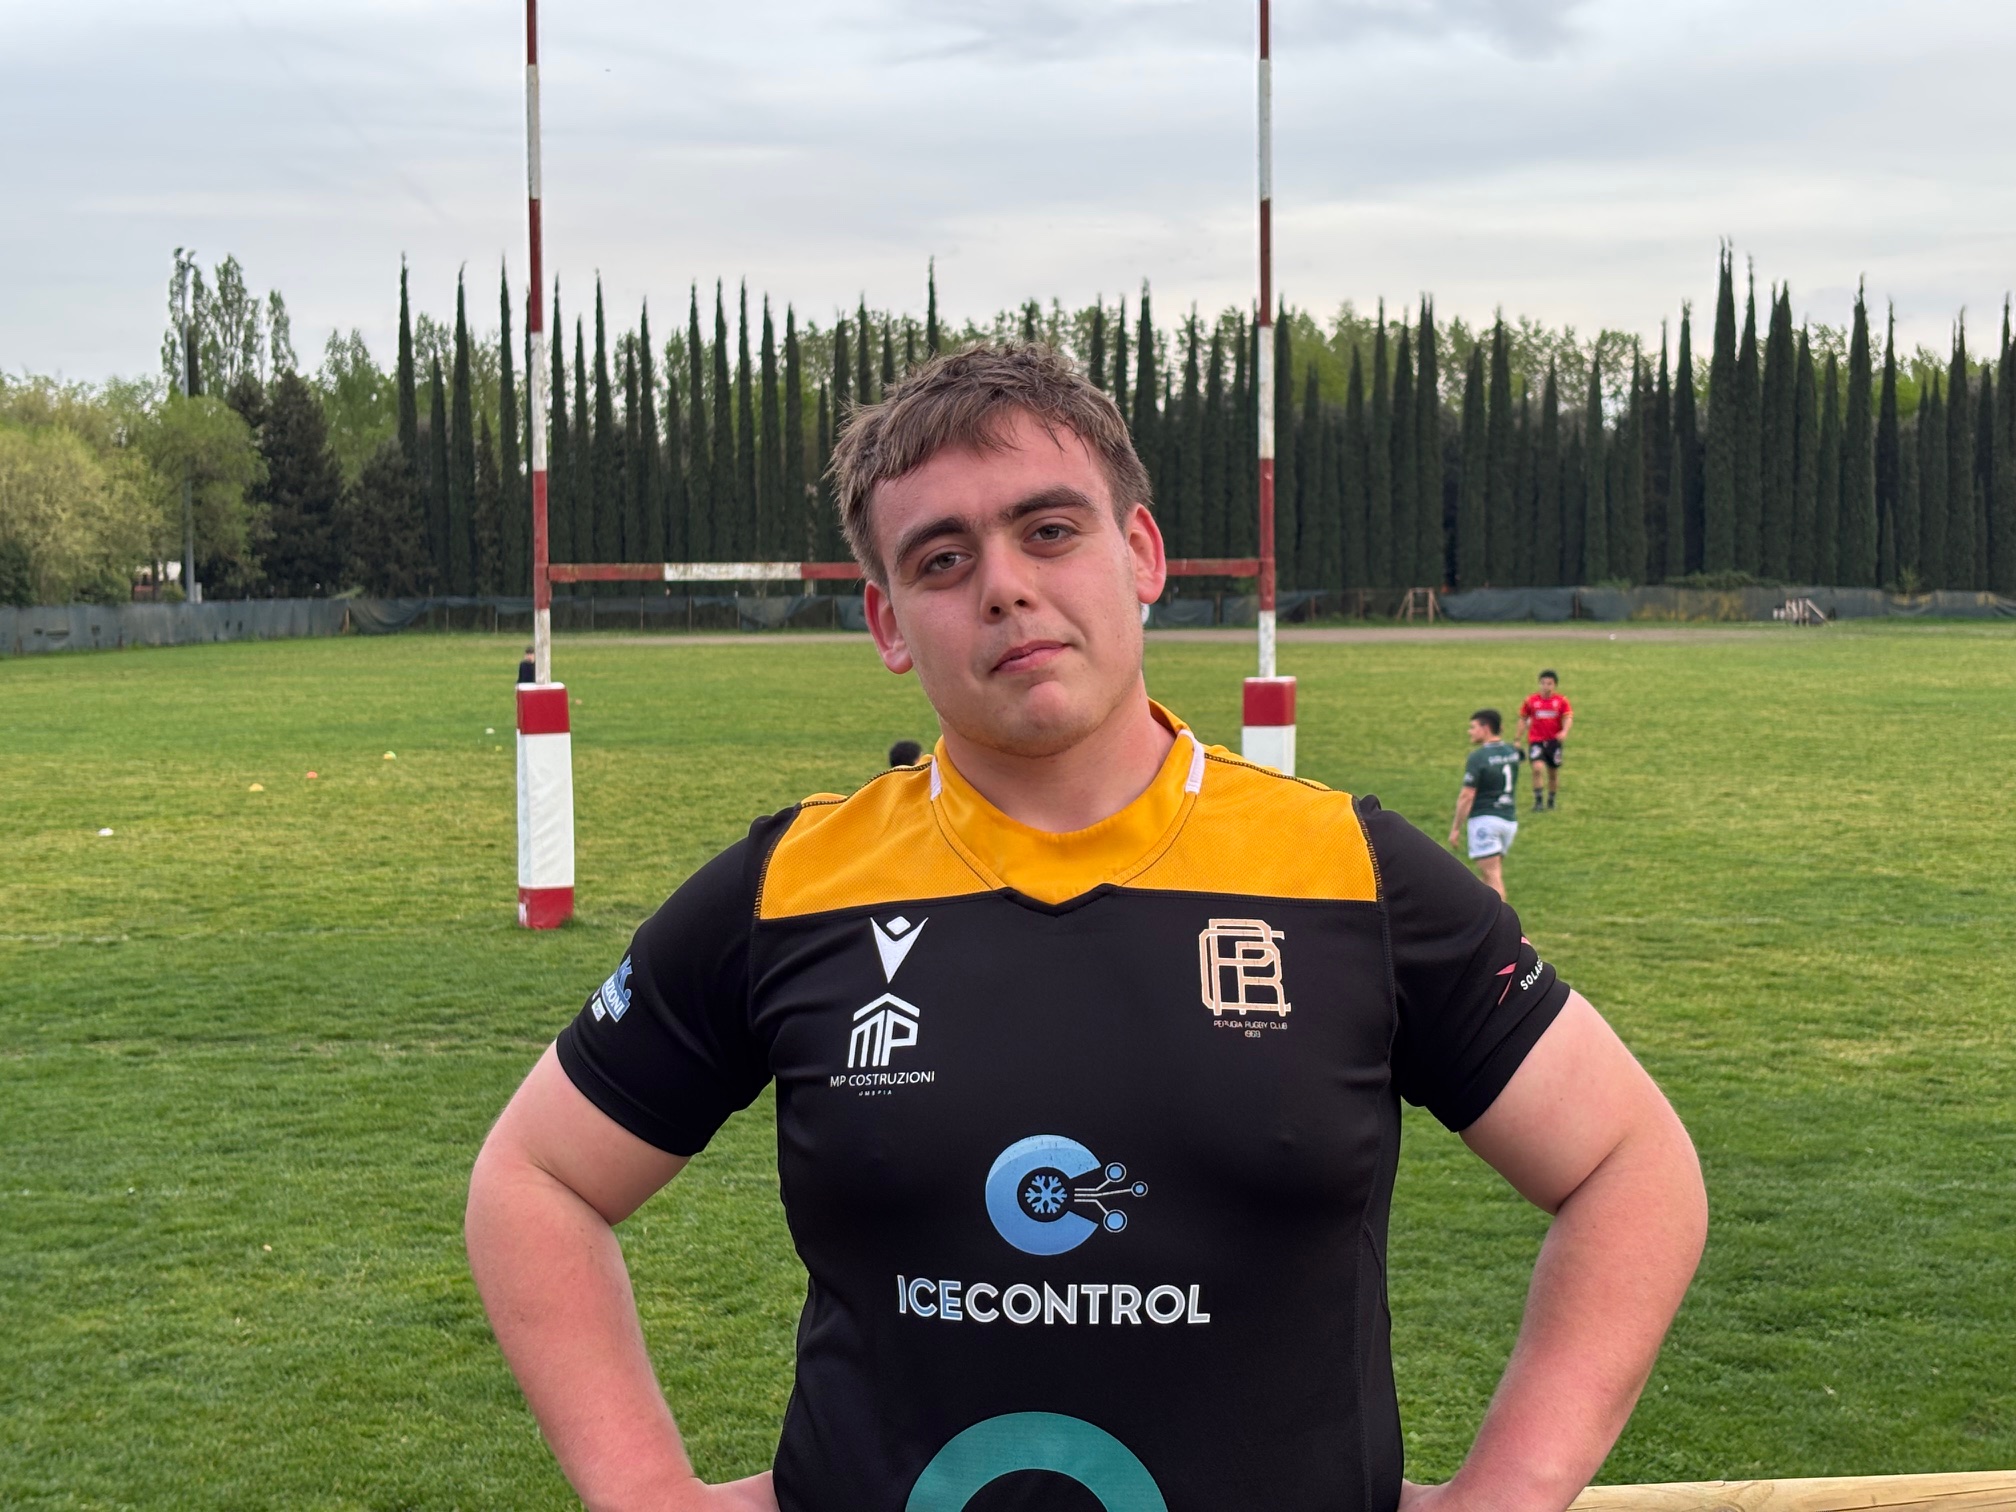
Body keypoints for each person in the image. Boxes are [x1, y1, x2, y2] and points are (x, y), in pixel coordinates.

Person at [466, 345, 1706, 1512]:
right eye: (941, 560)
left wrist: (1507, 1494)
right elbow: (536, 1180)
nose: (1006, 585)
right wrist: (647, 1494)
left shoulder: (1347, 872)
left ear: (1141, 553)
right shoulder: (793, 885)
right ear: (888, 623)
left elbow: (1630, 1165)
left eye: (1049, 530)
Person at [1449, 709, 1523, 902]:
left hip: (1486, 820)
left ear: (1486, 728)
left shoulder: (1479, 757)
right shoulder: (1512, 752)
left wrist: (1456, 828)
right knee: (1488, 876)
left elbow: (1467, 795)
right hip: (1508, 820)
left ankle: (1503, 920)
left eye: (1473, 727)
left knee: (1493, 877)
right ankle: (1479, 917)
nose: (1470, 731)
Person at [1517, 669, 1573, 811]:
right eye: (1543, 683)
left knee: (1552, 773)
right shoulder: (1531, 701)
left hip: (1554, 742)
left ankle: (1551, 800)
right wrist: (1518, 738)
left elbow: (1567, 717)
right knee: (1537, 768)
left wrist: (1564, 731)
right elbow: (1523, 719)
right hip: (1536, 740)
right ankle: (1538, 802)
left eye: (1549, 684)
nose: (1545, 686)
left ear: (1555, 685)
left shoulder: (1561, 701)